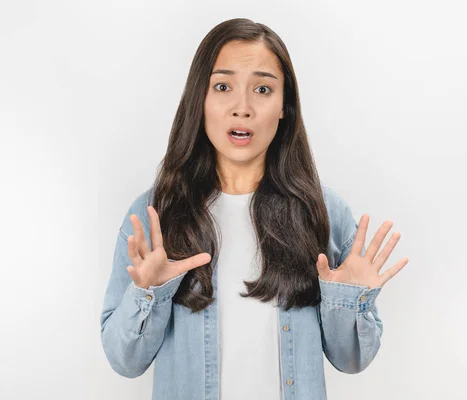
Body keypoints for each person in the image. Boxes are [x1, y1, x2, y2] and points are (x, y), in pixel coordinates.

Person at [100, 17, 409, 400]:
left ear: (284, 108)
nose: (242, 107)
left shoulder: (323, 212)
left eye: (263, 89)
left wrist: (349, 299)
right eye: (223, 86)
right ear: (200, 99)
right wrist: (148, 292)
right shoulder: (155, 215)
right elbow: (124, 361)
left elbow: (351, 360)